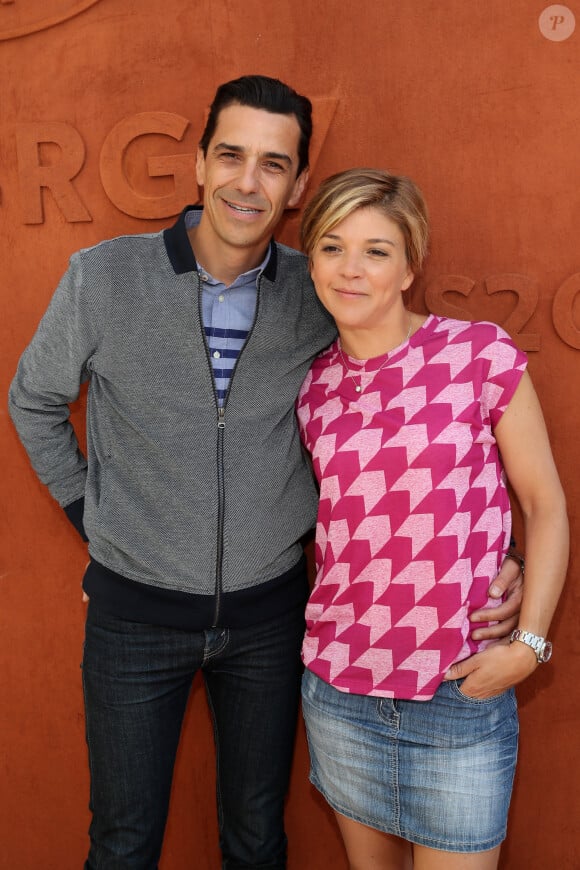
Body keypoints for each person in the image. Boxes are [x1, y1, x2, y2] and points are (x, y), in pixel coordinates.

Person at [9, 79, 522, 870]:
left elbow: (396, 432)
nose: (249, 182)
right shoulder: (103, 278)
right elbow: (33, 401)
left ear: (297, 187)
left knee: (256, 839)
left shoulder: (320, 289)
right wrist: (95, 517)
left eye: (273, 164)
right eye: (232, 156)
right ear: (198, 166)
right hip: (132, 621)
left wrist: (490, 556)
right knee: (120, 841)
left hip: (270, 622)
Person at [296, 168, 569, 870]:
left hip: (458, 694)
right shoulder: (311, 387)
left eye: (376, 250)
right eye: (332, 246)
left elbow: (543, 503)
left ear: (411, 265)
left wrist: (528, 647)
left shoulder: (478, 354)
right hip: (341, 692)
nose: (350, 269)